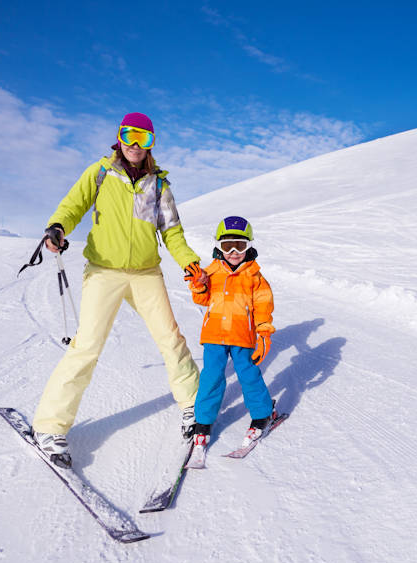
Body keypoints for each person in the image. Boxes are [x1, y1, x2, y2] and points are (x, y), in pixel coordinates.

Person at [31, 112, 209, 468]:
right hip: (104, 271)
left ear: (151, 145)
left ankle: (194, 408)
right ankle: (49, 426)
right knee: (87, 347)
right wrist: (57, 227)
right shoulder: (100, 173)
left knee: (171, 340)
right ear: (119, 137)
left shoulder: (159, 185)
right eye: (130, 136)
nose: (135, 145)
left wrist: (190, 263)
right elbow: (73, 205)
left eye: (144, 139)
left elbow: (172, 234)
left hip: (146, 273)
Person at [185, 216, 276, 467]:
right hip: (214, 335)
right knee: (211, 376)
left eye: (239, 245)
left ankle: (262, 415)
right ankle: (203, 422)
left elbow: (263, 308)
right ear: (219, 247)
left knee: (249, 375)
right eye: (228, 246)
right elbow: (201, 300)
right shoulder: (211, 272)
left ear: (248, 246)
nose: (234, 252)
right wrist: (199, 286)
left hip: (242, 336)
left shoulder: (255, 277)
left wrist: (264, 334)